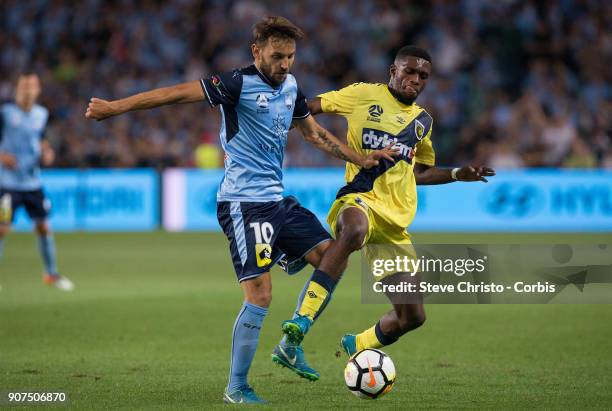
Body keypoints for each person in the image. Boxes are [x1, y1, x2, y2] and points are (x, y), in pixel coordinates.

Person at [85, 16, 395, 404]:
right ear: (256, 52)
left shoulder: (292, 86)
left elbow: (313, 133)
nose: (285, 65)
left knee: (333, 256)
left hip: (277, 201)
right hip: (243, 205)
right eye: (277, 56)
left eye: (291, 57)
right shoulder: (235, 83)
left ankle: (289, 344)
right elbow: (176, 94)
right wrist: (115, 107)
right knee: (260, 295)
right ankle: (237, 386)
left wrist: (360, 158)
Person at [275, 46, 495, 374]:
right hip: (359, 199)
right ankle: (299, 324)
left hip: (394, 225)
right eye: (409, 71)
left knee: (412, 317)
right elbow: (307, 108)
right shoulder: (363, 94)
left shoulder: (423, 122)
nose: (416, 80)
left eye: (423, 76)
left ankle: (358, 344)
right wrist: (270, 131)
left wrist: (456, 174)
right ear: (393, 70)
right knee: (353, 230)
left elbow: (419, 172)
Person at [0, 73, 74, 292]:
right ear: (18, 89)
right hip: (7, 184)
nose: (28, 90)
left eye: (32, 86)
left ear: (39, 89)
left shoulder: (41, 114)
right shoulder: (5, 113)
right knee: (2, 228)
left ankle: (51, 273)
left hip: (32, 183)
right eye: (25, 86)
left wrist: (47, 151)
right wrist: (2, 157)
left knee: (43, 226)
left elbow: (41, 139)